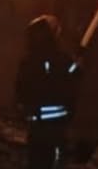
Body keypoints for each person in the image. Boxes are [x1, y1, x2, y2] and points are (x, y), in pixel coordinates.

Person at [16, 14, 83, 169]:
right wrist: (77, 64)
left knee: (36, 162)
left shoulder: (27, 61)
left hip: (35, 127)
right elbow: (69, 78)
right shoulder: (58, 59)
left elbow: (21, 90)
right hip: (55, 128)